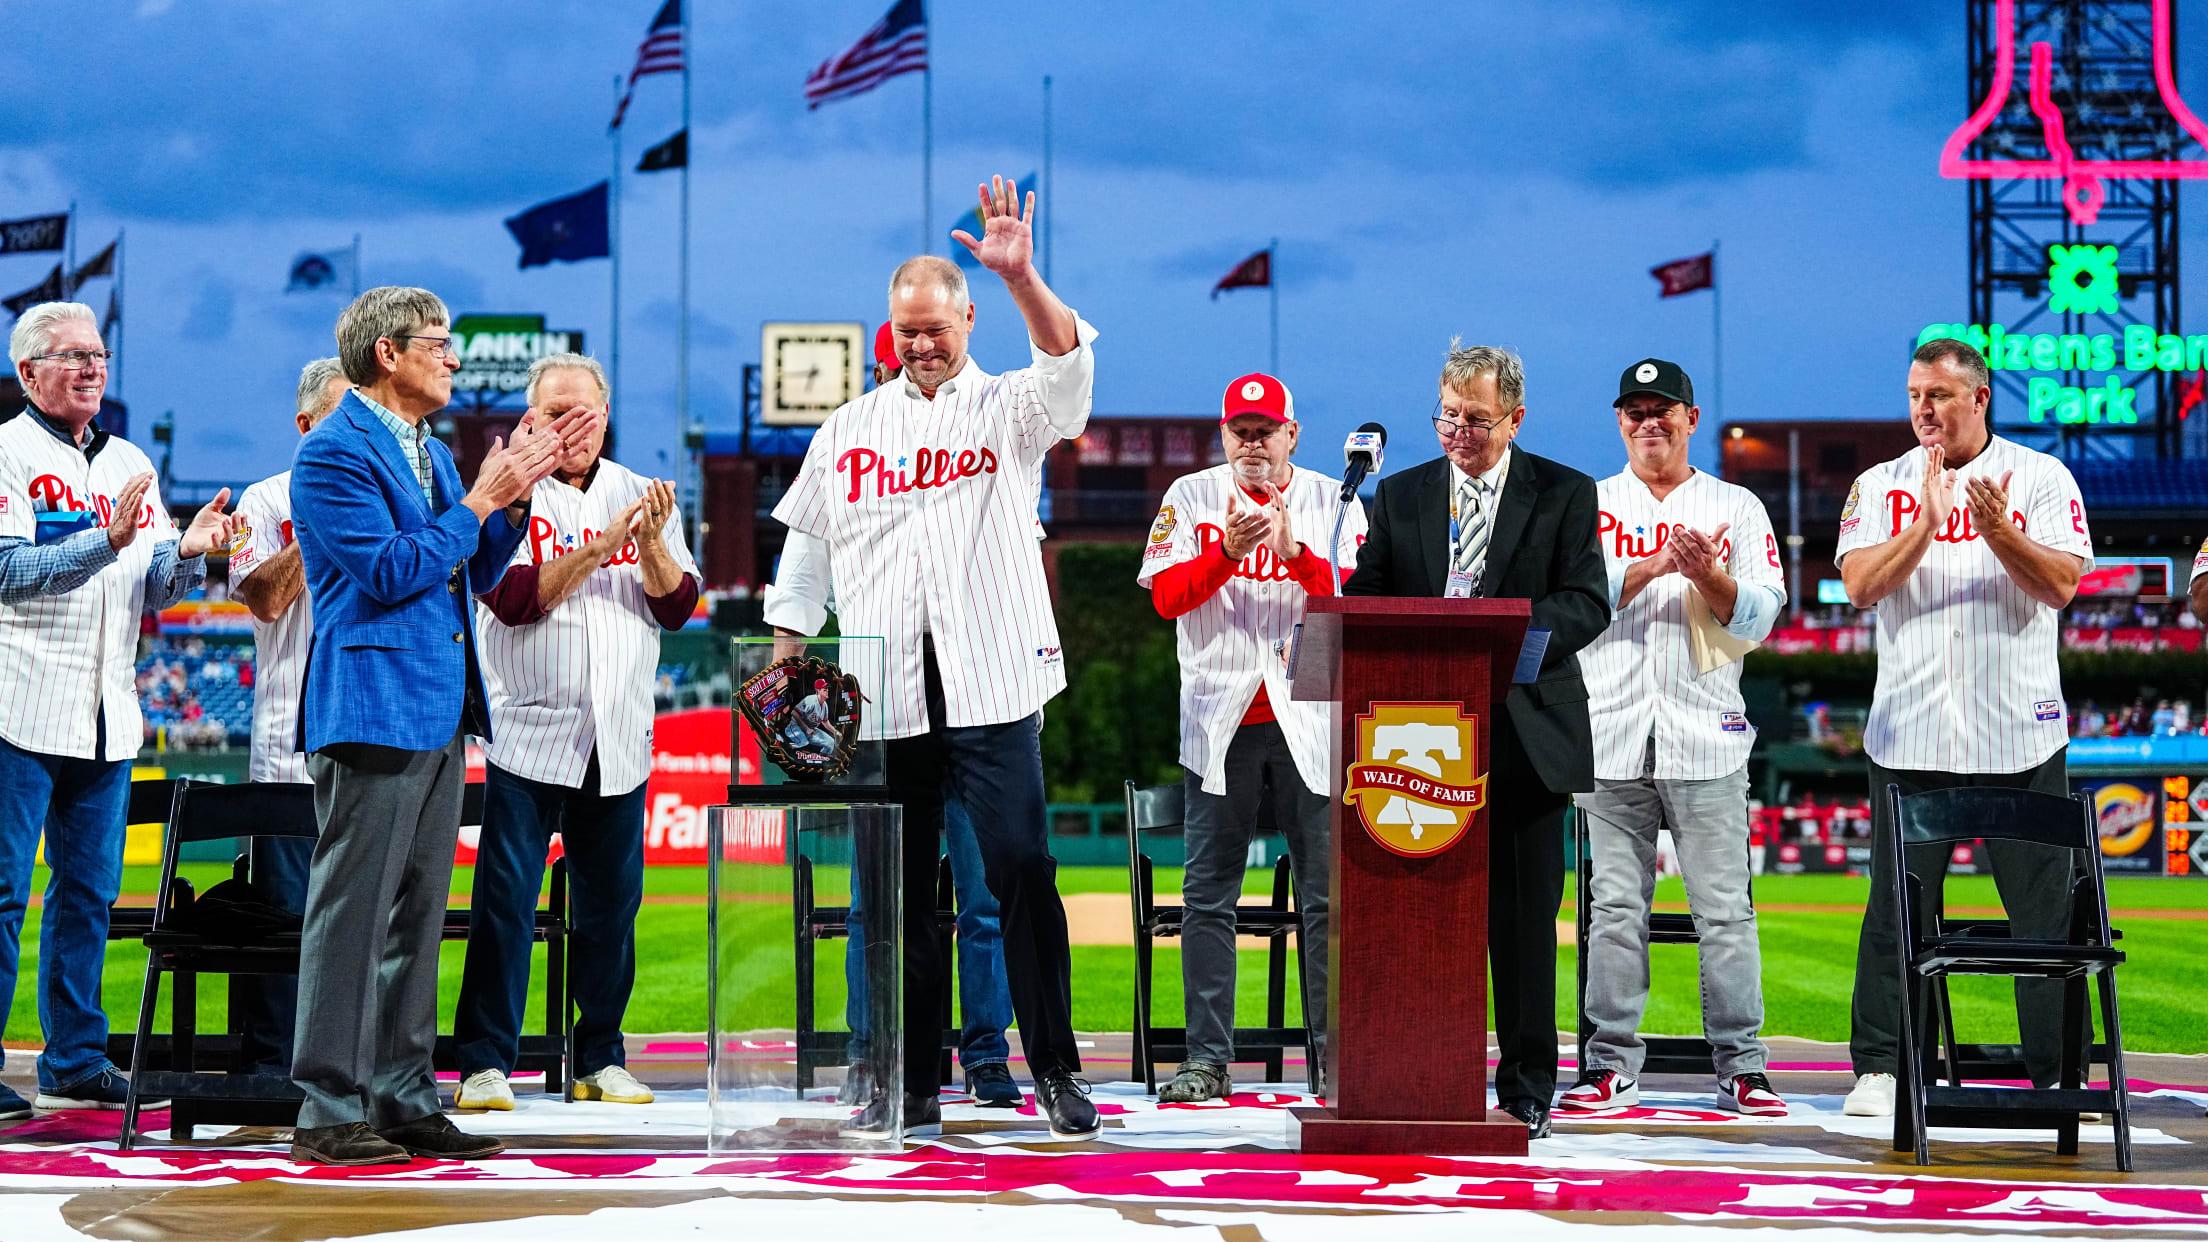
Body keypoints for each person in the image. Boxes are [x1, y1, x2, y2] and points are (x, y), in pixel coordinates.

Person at [765, 176, 1099, 1139]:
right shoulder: (848, 429)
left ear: (966, 317)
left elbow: (1070, 378)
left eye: (937, 327)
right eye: (906, 329)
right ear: (891, 326)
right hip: (888, 697)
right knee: (899, 900)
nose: (921, 343)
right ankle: (907, 1082)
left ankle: (1056, 1071)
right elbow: (804, 564)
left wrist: (1024, 277)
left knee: (1025, 874)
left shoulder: (1006, 409)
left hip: (994, 687)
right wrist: (786, 670)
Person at [288, 286, 588, 1164]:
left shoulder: (430, 452)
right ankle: (327, 1108)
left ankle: (403, 1095)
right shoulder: (334, 455)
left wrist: (517, 496)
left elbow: (478, 571)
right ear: (389, 354)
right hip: (372, 707)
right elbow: (388, 572)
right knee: (353, 915)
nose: (453, 359)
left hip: (437, 708)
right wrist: (480, 501)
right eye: (439, 344)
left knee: (418, 916)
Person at [1341, 341, 1608, 1139]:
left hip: (1528, 731)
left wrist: (1503, 636)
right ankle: (1416, 1069)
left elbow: (1587, 603)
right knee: (1416, 917)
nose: (1456, 432)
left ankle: (1528, 1085)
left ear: (1516, 419)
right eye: (1447, 416)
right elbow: (1371, 598)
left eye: (1475, 419)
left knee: (1525, 926)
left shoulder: (1564, 492)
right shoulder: (1400, 494)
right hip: (1416, 747)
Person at [1836, 337, 2092, 1118]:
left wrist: (1996, 530)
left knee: (2044, 917)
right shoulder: (1881, 484)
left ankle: (2058, 1076)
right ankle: (1882, 1070)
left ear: (1979, 399)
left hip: (2019, 731)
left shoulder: (2042, 476)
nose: (1924, 409)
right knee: (1895, 907)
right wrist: (1927, 524)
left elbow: (2062, 585)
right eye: (1915, 394)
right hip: (1908, 734)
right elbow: (1857, 586)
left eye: (1940, 395)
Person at [0, 301, 236, 1114]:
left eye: (98, 354)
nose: (93, 367)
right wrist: (111, 538)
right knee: (2, 895)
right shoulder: (6, 452)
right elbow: (8, 572)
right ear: (29, 373)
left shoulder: (130, 458)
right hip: (17, 704)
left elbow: (157, 587)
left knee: (88, 895)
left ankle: (74, 1057)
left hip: (107, 711)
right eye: (71, 356)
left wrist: (194, 552)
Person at [456, 352, 698, 1112]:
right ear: (531, 418)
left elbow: (676, 604)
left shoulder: (644, 494)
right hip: (530, 733)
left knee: (610, 911)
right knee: (505, 905)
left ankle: (601, 1056)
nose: (569, 427)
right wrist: (600, 548)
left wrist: (651, 542)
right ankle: (485, 1062)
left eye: (583, 412)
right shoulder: (509, 492)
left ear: (606, 412)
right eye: (554, 413)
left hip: (620, 736)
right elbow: (514, 598)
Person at [1563, 358, 1786, 1117]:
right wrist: (1658, 565)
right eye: (1635, 410)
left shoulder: (1737, 504)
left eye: (1664, 410)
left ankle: (1743, 1067)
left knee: (1724, 910)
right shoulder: (1585, 504)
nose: (1649, 422)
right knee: (1614, 909)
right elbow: (1571, 603)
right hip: (1610, 731)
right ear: (1619, 420)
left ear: (1692, 419)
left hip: (1707, 734)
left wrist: (1713, 581)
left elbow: (1760, 614)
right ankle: (1607, 1065)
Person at [1135, 371, 1360, 1102]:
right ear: (1224, 433)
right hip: (1218, 717)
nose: (1253, 442)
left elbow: (1359, 604)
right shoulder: (1191, 497)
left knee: (1326, 900)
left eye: (1267, 430)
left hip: (1313, 717)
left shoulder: (1336, 499)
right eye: (1241, 430)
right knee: (1208, 897)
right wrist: (1225, 553)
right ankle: (1206, 1060)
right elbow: (1167, 597)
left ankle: (1334, 1062)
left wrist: (1297, 554)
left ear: (1293, 433)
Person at [226, 356, 353, 1075]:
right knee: (282, 925)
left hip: (367, 746)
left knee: (361, 928)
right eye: (339, 419)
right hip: (287, 747)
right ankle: (274, 1072)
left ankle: (352, 1070)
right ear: (305, 426)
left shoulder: (390, 491)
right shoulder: (264, 498)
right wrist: (322, 526)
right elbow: (266, 599)